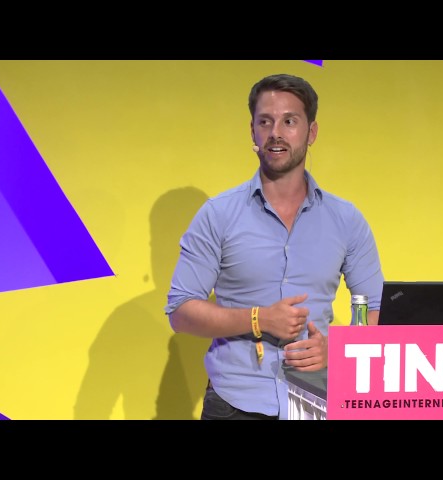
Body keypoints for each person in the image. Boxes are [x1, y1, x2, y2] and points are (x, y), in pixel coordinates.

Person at [164, 73, 384, 420]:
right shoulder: (218, 215)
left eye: (289, 121)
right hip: (234, 404)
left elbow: (376, 311)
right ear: (252, 131)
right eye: (265, 122)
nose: (275, 133)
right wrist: (259, 318)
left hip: (315, 400)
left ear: (311, 132)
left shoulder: (346, 219)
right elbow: (181, 311)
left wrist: (338, 351)